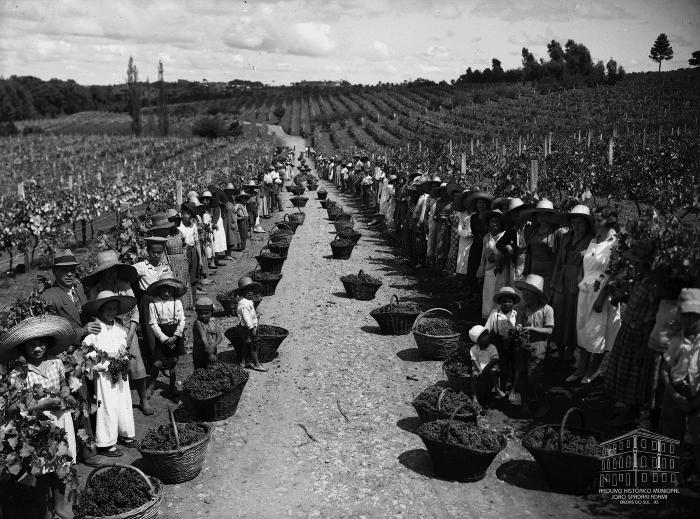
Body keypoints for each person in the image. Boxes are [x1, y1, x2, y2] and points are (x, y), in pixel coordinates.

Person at [1, 314, 77, 519]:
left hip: (60, 420)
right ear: (23, 348)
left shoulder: (56, 363)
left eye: (41, 343)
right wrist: (42, 405)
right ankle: (45, 507)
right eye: (31, 345)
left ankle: (60, 505)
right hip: (36, 426)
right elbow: (16, 405)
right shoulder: (20, 372)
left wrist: (66, 393)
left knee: (62, 461)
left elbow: (63, 385)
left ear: (48, 343)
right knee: (42, 465)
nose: (37, 349)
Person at [83, 250, 152, 415]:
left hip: (128, 328)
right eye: (107, 270)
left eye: (114, 270)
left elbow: (135, 311)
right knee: (110, 365)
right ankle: (117, 401)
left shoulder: (124, 284)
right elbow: (93, 313)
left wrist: (129, 337)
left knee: (136, 362)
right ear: (101, 271)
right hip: (107, 330)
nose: (111, 273)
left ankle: (143, 399)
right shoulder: (95, 289)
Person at [605, 241, 659, 427]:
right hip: (628, 330)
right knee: (623, 371)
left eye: (637, 262)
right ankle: (626, 410)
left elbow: (651, 316)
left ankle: (631, 414)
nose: (633, 264)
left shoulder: (653, 285)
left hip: (639, 335)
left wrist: (644, 345)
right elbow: (636, 302)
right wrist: (622, 296)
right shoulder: (641, 279)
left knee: (634, 375)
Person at [82, 290, 137, 457]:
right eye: (108, 309)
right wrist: (103, 357)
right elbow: (87, 350)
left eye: (114, 309)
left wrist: (122, 349)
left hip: (119, 371)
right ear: (100, 310)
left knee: (123, 402)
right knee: (108, 406)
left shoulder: (118, 327)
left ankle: (126, 433)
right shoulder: (96, 328)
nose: (112, 312)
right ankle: (107, 442)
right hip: (105, 374)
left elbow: (122, 341)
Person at [570, 206, 621, 384]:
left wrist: (601, 298)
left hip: (602, 294)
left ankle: (594, 369)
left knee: (599, 333)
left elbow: (614, 274)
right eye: (595, 220)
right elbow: (586, 263)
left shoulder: (615, 244)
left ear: (610, 221)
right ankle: (581, 368)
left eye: (599, 220)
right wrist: (580, 276)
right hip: (586, 292)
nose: (595, 223)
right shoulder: (594, 239)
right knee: (583, 329)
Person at [661, 288, 700, 482]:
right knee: (671, 432)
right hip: (675, 391)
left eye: (694, 316)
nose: (690, 320)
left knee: (698, 437)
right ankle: (673, 474)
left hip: (697, 395)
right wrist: (674, 394)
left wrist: (694, 401)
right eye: (685, 315)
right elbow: (665, 368)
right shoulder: (677, 340)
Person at [550, 205, 594, 363]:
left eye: (580, 222)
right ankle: (560, 347)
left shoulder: (591, 240)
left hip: (578, 280)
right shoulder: (566, 237)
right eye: (573, 222)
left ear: (586, 223)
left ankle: (570, 349)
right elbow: (558, 262)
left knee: (573, 315)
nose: (576, 225)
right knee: (558, 313)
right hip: (563, 278)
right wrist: (554, 282)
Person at [514, 274, 554, 418]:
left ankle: (544, 403)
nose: (525, 296)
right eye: (524, 293)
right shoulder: (522, 308)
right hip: (523, 347)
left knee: (533, 377)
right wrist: (518, 328)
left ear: (537, 295)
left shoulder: (546, 310)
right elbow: (518, 323)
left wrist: (532, 329)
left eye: (528, 294)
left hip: (538, 349)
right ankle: (525, 404)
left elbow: (549, 330)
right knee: (523, 375)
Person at [146, 273, 187, 397]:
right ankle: (152, 384)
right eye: (164, 289)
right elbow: (153, 323)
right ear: (159, 289)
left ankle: (172, 385)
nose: (167, 293)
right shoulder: (153, 304)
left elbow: (182, 320)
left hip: (175, 332)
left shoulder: (177, 302)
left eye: (169, 289)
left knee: (174, 360)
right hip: (161, 333)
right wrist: (163, 338)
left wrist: (176, 335)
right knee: (157, 362)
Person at [522, 200, 564, 295]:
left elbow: (561, 255)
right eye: (539, 214)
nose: (542, 217)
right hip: (532, 272)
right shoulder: (532, 231)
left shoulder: (558, 232)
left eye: (545, 214)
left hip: (549, 274)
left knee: (546, 300)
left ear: (551, 215)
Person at [485, 286, 520, 394]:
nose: (506, 304)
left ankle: (512, 388)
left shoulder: (516, 315)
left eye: (509, 301)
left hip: (512, 343)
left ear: (513, 303)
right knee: (501, 366)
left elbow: (519, 328)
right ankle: (500, 388)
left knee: (513, 366)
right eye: (504, 301)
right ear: (500, 302)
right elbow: (487, 329)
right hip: (498, 343)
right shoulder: (495, 314)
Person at [477, 209, 508, 319]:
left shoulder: (505, 236)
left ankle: (498, 321)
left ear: (501, 224)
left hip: (502, 271)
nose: (494, 224)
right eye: (492, 222)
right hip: (489, 271)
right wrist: (481, 270)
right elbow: (483, 256)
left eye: (497, 221)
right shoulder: (486, 237)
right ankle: (487, 320)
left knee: (499, 295)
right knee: (488, 296)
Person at [236, 276, 267, 372]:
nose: (250, 292)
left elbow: (250, 314)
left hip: (246, 327)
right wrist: (252, 329)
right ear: (242, 292)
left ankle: (244, 362)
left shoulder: (247, 301)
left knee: (246, 344)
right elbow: (246, 318)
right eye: (247, 290)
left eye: (251, 290)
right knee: (253, 346)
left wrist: (256, 316)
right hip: (247, 328)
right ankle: (257, 364)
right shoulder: (243, 304)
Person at [469, 324, 504, 405]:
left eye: (487, 334)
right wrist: (480, 369)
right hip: (478, 368)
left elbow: (495, 358)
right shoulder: (474, 349)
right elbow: (474, 360)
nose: (487, 336)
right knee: (474, 375)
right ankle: (474, 394)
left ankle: (496, 388)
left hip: (490, 367)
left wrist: (487, 367)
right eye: (484, 335)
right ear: (478, 340)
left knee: (494, 370)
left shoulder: (492, 347)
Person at [179, 202, 206, 297]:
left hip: (193, 250)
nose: (190, 216)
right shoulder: (179, 226)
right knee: (184, 274)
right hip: (182, 251)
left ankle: (193, 298)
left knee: (193, 275)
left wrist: (200, 260)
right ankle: (184, 297)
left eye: (191, 214)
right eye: (188, 213)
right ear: (182, 213)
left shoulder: (193, 226)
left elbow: (197, 242)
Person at [192, 297, 223, 370]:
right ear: (197, 312)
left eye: (206, 313)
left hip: (212, 350)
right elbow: (204, 339)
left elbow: (219, 337)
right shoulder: (198, 323)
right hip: (200, 351)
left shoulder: (213, 321)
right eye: (200, 313)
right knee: (200, 370)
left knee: (211, 369)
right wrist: (210, 353)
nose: (203, 316)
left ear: (212, 312)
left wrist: (213, 346)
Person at [223, 183, 243, 255]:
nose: (230, 192)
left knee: (232, 238)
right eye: (229, 191)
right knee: (228, 238)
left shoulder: (232, 199)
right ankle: (227, 254)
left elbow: (233, 209)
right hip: (227, 220)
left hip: (233, 220)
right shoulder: (224, 200)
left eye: (231, 191)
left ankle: (229, 254)